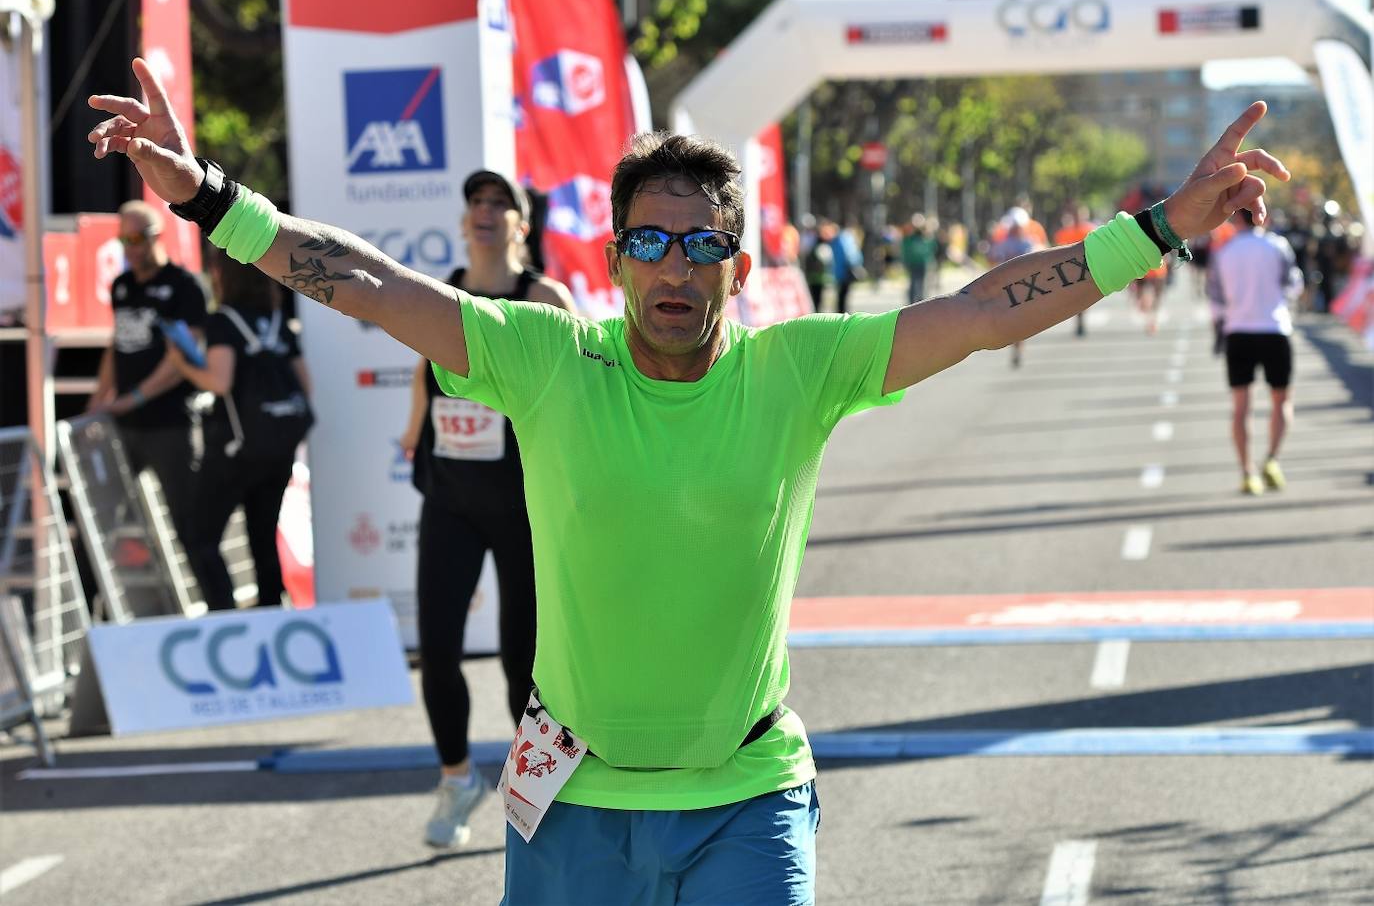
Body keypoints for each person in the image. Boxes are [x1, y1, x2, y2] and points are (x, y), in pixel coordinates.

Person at [89, 59, 1286, 903]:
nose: (676, 265)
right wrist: (207, 197)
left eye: (702, 242)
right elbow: (358, 276)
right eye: (651, 242)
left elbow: (981, 310)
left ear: (738, 263)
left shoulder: (800, 368)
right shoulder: (545, 357)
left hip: (749, 799)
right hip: (570, 809)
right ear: (611, 261)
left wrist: (1166, 223)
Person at [397, 169, 575, 849]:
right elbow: (426, 370)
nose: (485, 211)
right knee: (437, 649)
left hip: (522, 506)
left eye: (501, 203)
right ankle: (456, 778)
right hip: (449, 497)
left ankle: (538, 791)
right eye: (476, 202)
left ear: (522, 225)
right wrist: (414, 425)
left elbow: (581, 385)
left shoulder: (544, 296)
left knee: (521, 663)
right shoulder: (446, 292)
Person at [165, 250, 312, 610]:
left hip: (235, 449)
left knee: (200, 536)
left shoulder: (224, 321)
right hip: (278, 448)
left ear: (222, 275)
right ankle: (269, 612)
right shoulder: (277, 318)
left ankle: (226, 616)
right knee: (262, 536)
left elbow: (219, 381)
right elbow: (305, 384)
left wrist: (181, 364)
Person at [88, 200, 208, 555]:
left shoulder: (185, 285)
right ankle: (97, 606)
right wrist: (100, 398)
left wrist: (135, 397)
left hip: (170, 424)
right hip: (124, 426)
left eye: (137, 239)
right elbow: (117, 343)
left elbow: (183, 358)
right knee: (102, 520)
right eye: (124, 240)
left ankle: (218, 607)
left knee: (189, 526)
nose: (131, 248)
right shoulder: (122, 285)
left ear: (156, 236)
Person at [1207, 208, 1303, 496]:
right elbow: (1294, 285)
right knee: (1281, 400)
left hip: (1238, 331)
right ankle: (1272, 459)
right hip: (1274, 329)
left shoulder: (1224, 252)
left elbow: (1215, 300)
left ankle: (1247, 472)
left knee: (1240, 407)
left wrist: (1219, 332)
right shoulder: (1277, 246)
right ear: (1263, 217)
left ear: (1235, 219)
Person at [989, 207, 1039, 368]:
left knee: (1020, 321)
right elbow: (993, 260)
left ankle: (1018, 348)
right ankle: (1015, 345)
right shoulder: (1003, 243)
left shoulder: (1029, 243)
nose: (1015, 229)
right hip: (1005, 288)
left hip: (1024, 287)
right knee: (1011, 320)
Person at [1054, 207, 1097, 336]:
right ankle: (1079, 320)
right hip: (1070, 269)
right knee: (1075, 296)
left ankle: (1081, 320)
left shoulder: (1091, 229)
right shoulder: (1065, 231)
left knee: (1084, 296)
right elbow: (1059, 249)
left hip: (1088, 267)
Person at [901, 213, 939, 305]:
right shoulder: (910, 238)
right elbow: (906, 249)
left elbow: (932, 248)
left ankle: (920, 301)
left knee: (922, 282)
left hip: (923, 263)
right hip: (913, 262)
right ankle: (912, 300)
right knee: (914, 281)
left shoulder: (926, 238)